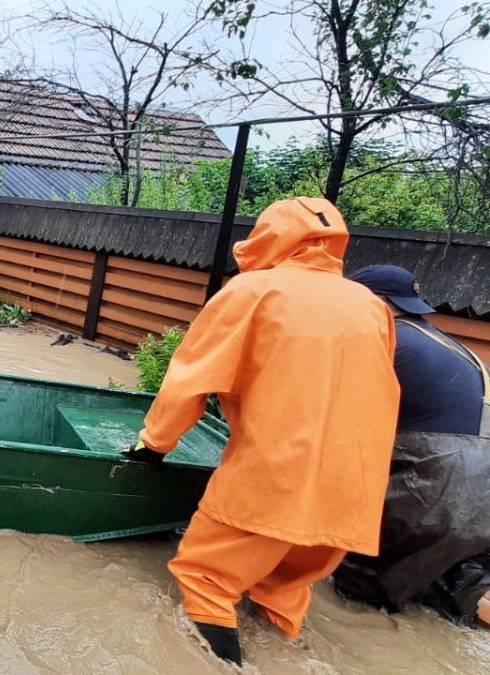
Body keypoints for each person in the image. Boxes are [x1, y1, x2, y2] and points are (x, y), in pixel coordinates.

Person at [121, 197, 399, 666]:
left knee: (205, 578)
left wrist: (153, 444)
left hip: (273, 477)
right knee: (281, 590)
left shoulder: (252, 291)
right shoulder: (370, 305)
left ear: (268, 235)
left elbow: (191, 381)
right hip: (353, 493)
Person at [332, 264, 490, 626]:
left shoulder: (386, 341)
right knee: (444, 612)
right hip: (482, 502)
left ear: (375, 302)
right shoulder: (451, 346)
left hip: (443, 482)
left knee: (360, 591)